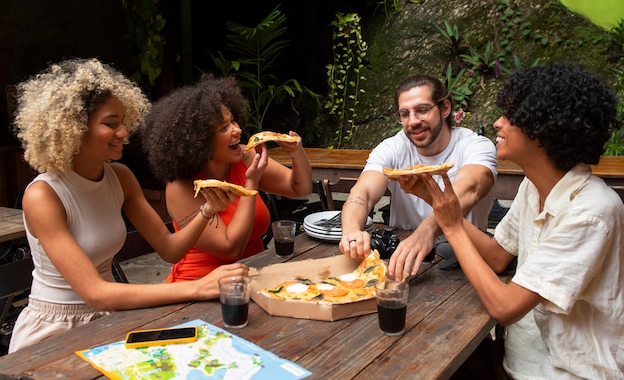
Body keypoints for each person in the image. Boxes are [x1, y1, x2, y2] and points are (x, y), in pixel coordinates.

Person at [401, 64, 624, 379]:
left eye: (510, 117)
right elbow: (495, 256)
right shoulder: (534, 187)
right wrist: (437, 201)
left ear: (543, 131)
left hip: (569, 372)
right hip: (520, 360)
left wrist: (451, 225)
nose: (497, 123)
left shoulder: (591, 211)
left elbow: (504, 307)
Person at [8, 59, 248, 353]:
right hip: (55, 330)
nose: (123, 132)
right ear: (73, 128)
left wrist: (206, 211)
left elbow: (170, 249)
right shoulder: (44, 195)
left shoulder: (120, 177)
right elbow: (96, 293)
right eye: (111, 124)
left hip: (108, 318)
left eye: (123, 122)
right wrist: (198, 287)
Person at [141, 74, 312, 281]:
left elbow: (299, 188)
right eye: (224, 128)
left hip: (255, 275)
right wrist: (251, 183)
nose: (238, 130)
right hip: (201, 288)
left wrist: (297, 154)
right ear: (199, 142)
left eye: (233, 121)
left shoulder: (243, 156)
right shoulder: (182, 186)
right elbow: (230, 248)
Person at [339, 74, 497, 279]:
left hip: (465, 261)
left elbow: (468, 191)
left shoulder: (475, 146)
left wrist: (425, 233)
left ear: (445, 108)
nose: (413, 121)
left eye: (422, 110)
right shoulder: (393, 147)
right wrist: (352, 233)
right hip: (402, 259)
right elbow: (363, 193)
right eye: (405, 114)